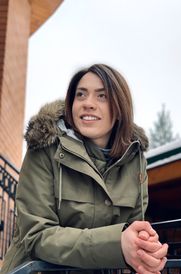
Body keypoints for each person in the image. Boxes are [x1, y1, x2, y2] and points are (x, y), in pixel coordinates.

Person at [1, 64, 168, 274]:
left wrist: (145, 253)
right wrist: (117, 244)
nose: (88, 103)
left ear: (119, 108)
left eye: (101, 96)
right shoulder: (45, 149)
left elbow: (134, 229)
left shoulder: (135, 160)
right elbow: (36, 236)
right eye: (81, 95)